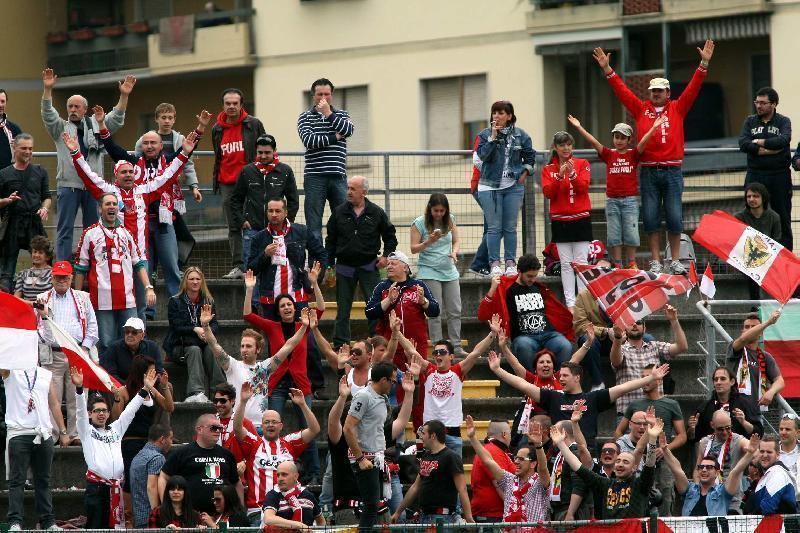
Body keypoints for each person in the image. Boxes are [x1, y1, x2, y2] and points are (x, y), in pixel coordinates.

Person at [593, 41, 715, 274]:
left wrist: (704, 64)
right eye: (653, 90)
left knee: (675, 217)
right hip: (648, 171)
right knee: (650, 218)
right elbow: (622, 91)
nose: (656, 94)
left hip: (672, 171)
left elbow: (694, 87)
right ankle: (657, 260)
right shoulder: (641, 109)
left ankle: (675, 260)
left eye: (660, 90)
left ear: (668, 93)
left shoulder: (678, 107)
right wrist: (608, 70)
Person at [97, 106, 210, 317]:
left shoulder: (170, 163)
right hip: (138, 227)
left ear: (161, 146)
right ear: (141, 146)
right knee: (144, 270)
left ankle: (180, 311)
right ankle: (145, 314)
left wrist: (201, 127)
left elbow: (187, 149)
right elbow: (113, 149)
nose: (149, 146)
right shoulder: (132, 163)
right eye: (146, 143)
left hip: (165, 222)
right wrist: (102, 124)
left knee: (172, 268)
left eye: (153, 143)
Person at [41, 68, 134, 261]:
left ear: (84, 109)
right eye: (70, 107)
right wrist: (47, 90)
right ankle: (63, 267)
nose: (73, 110)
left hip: (93, 187)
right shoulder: (61, 128)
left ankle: (94, 265)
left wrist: (123, 96)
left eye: (77, 107)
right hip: (68, 186)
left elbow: (116, 119)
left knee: (94, 229)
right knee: (64, 229)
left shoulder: (95, 123)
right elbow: (48, 114)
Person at [490, 354, 672, 451]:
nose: (560, 379)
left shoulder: (593, 398)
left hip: (586, 451)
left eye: (565, 376)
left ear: (577, 378)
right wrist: (498, 370)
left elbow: (623, 388)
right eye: (560, 375)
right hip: (559, 452)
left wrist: (650, 378)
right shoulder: (553, 397)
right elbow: (523, 384)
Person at [242, 276, 324, 480]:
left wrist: (313, 283)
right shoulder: (272, 327)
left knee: (308, 428)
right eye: (282, 305)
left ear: (294, 307)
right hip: (276, 384)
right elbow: (247, 314)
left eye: (289, 304)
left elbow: (321, 308)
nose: (287, 307)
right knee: (270, 426)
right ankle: (273, 467)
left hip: (300, 383)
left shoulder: (303, 325)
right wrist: (250, 289)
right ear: (278, 311)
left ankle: (313, 471)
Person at [567, 114, 665, 267]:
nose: (619, 141)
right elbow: (594, 142)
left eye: (622, 138)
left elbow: (644, 142)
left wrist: (654, 128)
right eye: (616, 137)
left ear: (629, 140)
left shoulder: (633, 154)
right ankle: (618, 263)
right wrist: (579, 127)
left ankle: (632, 263)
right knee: (614, 234)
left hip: (630, 201)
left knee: (631, 233)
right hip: (612, 201)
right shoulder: (608, 154)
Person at [400, 315, 501, 455]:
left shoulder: (457, 371)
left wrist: (493, 333)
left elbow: (475, 352)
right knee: (427, 472)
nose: (438, 355)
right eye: (435, 352)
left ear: (451, 357)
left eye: (442, 352)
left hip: (452, 432)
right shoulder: (428, 369)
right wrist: (396, 332)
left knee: (455, 474)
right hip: (428, 433)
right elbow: (411, 351)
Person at [329, 370, 415, 525]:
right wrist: (342, 398)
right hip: (350, 509)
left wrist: (409, 393)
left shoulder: (375, 433)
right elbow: (333, 422)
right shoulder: (341, 437)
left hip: (380, 509)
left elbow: (401, 421)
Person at [70, 366, 150, 528]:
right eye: (97, 410)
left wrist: (145, 389)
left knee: (116, 529)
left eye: (104, 411)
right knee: (96, 528)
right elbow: (80, 413)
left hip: (116, 488)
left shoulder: (116, 429)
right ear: (90, 414)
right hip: (97, 489)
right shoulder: (86, 431)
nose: (101, 414)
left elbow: (130, 411)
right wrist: (79, 389)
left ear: (108, 413)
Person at [73, 192, 154, 352]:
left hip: (127, 299)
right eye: (107, 204)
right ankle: (108, 376)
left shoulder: (127, 234)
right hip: (102, 300)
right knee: (106, 344)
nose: (111, 207)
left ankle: (133, 375)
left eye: (114, 204)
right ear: (99, 209)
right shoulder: (89, 234)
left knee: (134, 341)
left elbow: (138, 264)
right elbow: (81, 268)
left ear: (118, 208)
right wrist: (77, 296)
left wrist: (148, 287)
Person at [234, 375, 320, 525]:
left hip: (287, 508)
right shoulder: (253, 443)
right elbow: (237, 428)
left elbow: (314, 429)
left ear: (281, 426)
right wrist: (242, 402)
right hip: (258, 511)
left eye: (274, 422)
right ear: (261, 426)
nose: (270, 425)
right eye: (266, 422)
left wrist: (302, 405)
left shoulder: (290, 442)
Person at [326, 175, 397, 347]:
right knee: (343, 310)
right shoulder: (339, 212)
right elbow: (330, 240)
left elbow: (390, 237)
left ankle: (376, 340)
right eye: (348, 188)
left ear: (363, 192)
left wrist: (386, 256)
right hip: (344, 267)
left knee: (374, 307)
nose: (348, 192)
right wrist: (329, 265)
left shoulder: (376, 212)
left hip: (369, 266)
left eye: (353, 189)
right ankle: (340, 343)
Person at [35, 260, 98, 444]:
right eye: (58, 277)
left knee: (77, 396)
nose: (61, 280)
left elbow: (93, 327)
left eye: (65, 277)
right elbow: (38, 330)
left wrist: (84, 349)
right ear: (52, 278)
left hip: (77, 352)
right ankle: (54, 434)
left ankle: (76, 434)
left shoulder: (83, 298)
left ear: (71, 278)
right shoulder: (42, 298)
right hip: (52, 353)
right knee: (51, 395)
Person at [2, 364, 69, 531]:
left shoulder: (45, 374)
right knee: (17, 480)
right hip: (19, 433)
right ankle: (15, 521)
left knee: (44, 480)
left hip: (44, 432)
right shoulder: (10, 369)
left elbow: (54, 403)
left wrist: (63, 430)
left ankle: (48, 522)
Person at [477, 253, 574, 369]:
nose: (532, 279)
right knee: (523, 346)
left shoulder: (539, 287)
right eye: (529, 276)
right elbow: (482, 315)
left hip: (548, 334)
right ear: (519, 271)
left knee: (565, 346)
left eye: (535, 276)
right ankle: (532, 384)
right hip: (524, 337)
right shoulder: (507, 289)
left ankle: (557, 382)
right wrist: (493, 288)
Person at [499, 327, 592, 445]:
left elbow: (575, 359)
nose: (545, 365)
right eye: (541, 362)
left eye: (549, 362)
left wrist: (588, 343)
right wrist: (503, 347)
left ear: (554, 366)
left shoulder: (560, 377)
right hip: (533, 424)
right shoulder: (530, 379)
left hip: (556, 423)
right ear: (535, 367)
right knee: (523, 445)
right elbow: (515, 364)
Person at [555, 416, 661, 518]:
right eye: (618, 461)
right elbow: (578, 466)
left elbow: (649, 464)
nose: (620, 464)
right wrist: (560, 443)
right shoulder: (605, 484)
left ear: (634, 467)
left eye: (625, 462)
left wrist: (652, 438)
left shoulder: (640, 484)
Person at [615, 365, 687, 515]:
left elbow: (682, 436)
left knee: (665, 500)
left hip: (662, 460)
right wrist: (628, 452)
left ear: (659, 381)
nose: (645, 380)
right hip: (639, 462)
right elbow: (619, 431)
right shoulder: (634, 405)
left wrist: (665, 448)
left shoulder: (671, 405)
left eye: (649, 376)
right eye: (643, 377)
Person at [474, 100, 535, 276]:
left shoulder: (521, 135)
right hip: (489, 187)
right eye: (494, 113)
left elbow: (530, 157)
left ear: (509, 116)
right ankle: (494, 263)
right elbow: (483, 156)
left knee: (510, 227)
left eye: (501, 113)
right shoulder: (485, 134)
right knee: (494, 228)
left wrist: (525, 173)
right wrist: (493, 137)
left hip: (513, 186)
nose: (497, 116)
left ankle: (510, 263)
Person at [211, 88, 266, 280]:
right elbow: (219, 157)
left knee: (255, 224)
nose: (232, 107)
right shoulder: (217, 128)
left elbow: (265, 150)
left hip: (250, 182)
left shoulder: (254, 124)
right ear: (223, 105)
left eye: (235, 103)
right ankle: (238, 267)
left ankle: (257, 266)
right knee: (234, 226)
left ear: (241, 104)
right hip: (227, 184)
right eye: (228, 103)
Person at [203, 304, 284, 431]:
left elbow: (288, 347)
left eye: (248, 346)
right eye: (242, 346)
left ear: (258, 349)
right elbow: (214, 345)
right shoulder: (232, 365)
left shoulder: (265, 367)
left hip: (260, 427)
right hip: (237, 426)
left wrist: (304, 328)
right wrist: (206, 326)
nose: (244, 349)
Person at [231, 134, 300, 280]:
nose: (263, 156)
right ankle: (253, 303)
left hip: (277, 231)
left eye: (267, 152)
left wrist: (286, 223)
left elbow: (293, 200)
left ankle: (275, 302)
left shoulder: (285, 171)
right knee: (251, 272)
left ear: (274, 151)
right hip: (252, 230)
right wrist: (242, 221)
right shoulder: (247, 171)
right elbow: (235, 199)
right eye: (260, 152)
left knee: (276, 273)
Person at [111, 356, 174, 514]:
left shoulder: (152, 390)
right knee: (131, 483)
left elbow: (169, 407)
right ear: (141, 372)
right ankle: (128, 516)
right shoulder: (125, 390)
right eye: (150, 371)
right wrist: (117, 399)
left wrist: (165, 387)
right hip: (130, 443)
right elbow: (115, 418)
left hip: (148, 444)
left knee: (149, 480)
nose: (154, 373)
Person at [342, 361, 398, 531]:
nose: (394, 385)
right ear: (383, 380)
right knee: (371, 504)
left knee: (374, 504)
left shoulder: (382, 397)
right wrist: (360, 458)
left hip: (376, 457)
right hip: (365, 457)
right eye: (393, 381)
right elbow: (348, 427)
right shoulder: (364, 396)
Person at [246, 198, 327, 313]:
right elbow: (250, 270)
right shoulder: (259, 238)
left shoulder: (301, 231)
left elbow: (321, 254)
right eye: (270, 211)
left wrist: (314, 281)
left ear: (286, 213)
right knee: (274, 331)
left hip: (298, 296)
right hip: (270, 299)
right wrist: (265, 254)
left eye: (278, 211)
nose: (274, 214)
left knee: (304, 330)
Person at [298, 77, 354, 242]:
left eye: (327, 94)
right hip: (314, 176)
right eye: (319, 94)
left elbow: (349, 130)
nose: (323, 98)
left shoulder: (342, 115)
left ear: (332, 95)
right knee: (314, 224)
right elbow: (309, 141)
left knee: (344, 221)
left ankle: (341, 263)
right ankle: (318, 265)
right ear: (313, 96)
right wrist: (336, 136)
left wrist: (328, 113)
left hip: (338, 176)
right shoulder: (305, 117)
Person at [541, 130, 592, 308]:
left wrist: (571, 175)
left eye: (569, 144)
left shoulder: (582, 163)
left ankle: (583, 302)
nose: (566, 148)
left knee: (581, 262)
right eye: (562, 145)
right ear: (555, 148)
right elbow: (548, 193)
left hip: (581, 218)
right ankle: (570, 303)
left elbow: (583, 187)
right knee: (565, 264)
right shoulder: (548, 169)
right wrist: (560, 176)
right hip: (560, 220)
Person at [466, 415, 550, 524]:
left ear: (533, 464)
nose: (516, 462)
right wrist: (473, 438)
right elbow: (488, 461)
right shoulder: (509, 480)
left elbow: (543, 468)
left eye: (521, 459)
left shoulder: (540, 482)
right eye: (516, 458)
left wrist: (538, 445)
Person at [365, 251, 440, 372]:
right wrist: (388, 300)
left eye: (393, 264)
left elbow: (435, 311)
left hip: (415, 345)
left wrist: (423, 301)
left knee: (418, 379)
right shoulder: (381, 287)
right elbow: (369, 312)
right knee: (391, 380)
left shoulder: (418, 285)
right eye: (388, 263)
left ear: (405, 267)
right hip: (390, 346)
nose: (389, 266)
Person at [610, 305, 688, 420]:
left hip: (655, 414)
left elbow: (682, 347)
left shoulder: (655, 346)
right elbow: (615, 361)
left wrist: (674, 320)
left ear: (645, 328)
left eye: (639, 322)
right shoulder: (620, 349)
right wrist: (617, 339)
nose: (635, 324)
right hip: (628, 416)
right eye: (630, 322)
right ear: (625, 328)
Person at [738, 87, 793, 250]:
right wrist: (767, 149)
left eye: (763, 103)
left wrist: (757, 142)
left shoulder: (783, 121)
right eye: (757, 102)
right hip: (755, 174)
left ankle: (785, 257)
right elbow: (743, 143)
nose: (759, 106)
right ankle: (754, 256)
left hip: (779, 175)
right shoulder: (750, 121)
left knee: (782, 216)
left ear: (774, 104)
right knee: (752, 215)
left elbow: (783, 141)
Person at [391, 419, 473, 524]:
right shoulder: (426, 456)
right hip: (423, 516)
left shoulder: (451, 457)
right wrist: (398, 512)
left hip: (442, 519)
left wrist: (468, 517)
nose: (421, 437)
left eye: (424, 434)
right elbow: (415, 487)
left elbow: (462, 489)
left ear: (433, 436)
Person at [410, 193, 463, 354]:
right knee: (435, 310)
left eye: (442, 211)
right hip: (429, 271)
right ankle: (438, 347)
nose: (439, 214)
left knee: (455, 310)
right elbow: (413, 248)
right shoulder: (419, 223)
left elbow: (456, 240)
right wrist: (429, 241)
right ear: (430, 209)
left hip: (449, 271)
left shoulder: (451, 219)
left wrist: (454, 252)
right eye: (436, 210)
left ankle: (456, 346)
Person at [159, 414, 243, 515]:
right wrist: (167, 506)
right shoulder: (182, 453)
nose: (217, 431)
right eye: (213, 428)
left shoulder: (227, 455)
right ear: (199, 430)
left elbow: (237, 483)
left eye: (220, 428)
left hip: (222, 516)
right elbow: (163, 477)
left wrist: (240, 510)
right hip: (190, 515)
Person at [0, 133, 51, 291]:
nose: (28, 152)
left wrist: (45, 208)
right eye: (24, 148)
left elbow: (47, 197)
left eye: (30, 148)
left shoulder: (40, 172)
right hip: (12, 222)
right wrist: (7, 201)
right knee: (7, 270)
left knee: (45, 262)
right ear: (14, 148)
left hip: (33, 221)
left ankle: (44, 298)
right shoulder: (3, 174)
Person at [165, 266, 223, 402]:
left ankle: (220, 390)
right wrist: (195, 329)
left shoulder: (208, 301)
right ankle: (196, 393)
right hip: (180, 345)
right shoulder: (175, 301)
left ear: (202, 281)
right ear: (185, 281)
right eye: (191, 279)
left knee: (211, 349)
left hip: (202, 342)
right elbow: (176, 326)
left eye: (198, 279)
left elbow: (215, 324)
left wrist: (206, 329)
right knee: (195, 350)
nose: (195, 282)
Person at [664, 433, 758, 516]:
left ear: (717, 472)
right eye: (701, 467)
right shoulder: (689, 490)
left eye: (709, 467)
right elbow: (676, 469)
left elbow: (736, 472)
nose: (704, 470)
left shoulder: (723, 492)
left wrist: (750, 454)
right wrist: (665, 449)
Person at [726, 311, 785, 414]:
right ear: (742, 331)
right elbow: (744, 339)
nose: (750, 329)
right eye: (747, 327)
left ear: (761, 332)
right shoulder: (735, 347)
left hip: (755, 412)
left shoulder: (765, 356)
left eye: (754, 327)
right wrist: (768, 322)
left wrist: (770, 392)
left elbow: (780, 381)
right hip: (732, 410)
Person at [688, 366, 762, 444]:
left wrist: (744, 422)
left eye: (723, 379)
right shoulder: (705, 407)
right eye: (716, 379)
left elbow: (758, 433)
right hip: (713, 453)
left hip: (739, 452)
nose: (718, 382)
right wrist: (692, 429)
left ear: (732, 382)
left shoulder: (745, 404)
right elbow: (692, 439)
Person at [734, 182, 783, 300]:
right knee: (753, 266)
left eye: (755, 196)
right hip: (745, 259)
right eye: (749, 196)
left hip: (767, 259)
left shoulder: (774, 217)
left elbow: (776, 242)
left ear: (763, 198)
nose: (751, 199)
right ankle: (755, 306)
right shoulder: (738, 217)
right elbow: (736, 243)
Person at [695, 410, 750, 512]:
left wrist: (751, 450)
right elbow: (697, 469)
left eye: (728, 428)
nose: (725, 432)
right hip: (710, 497)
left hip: (732, 499)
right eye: (720, 429)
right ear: (712, 425)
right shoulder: (705, 442)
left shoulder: (737, 440)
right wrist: (697, 492)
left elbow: (750, 447)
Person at [469, 420, 515, 523]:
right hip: (492, 515)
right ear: (504, 434)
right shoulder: (494, 451)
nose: (511, 437)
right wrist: (515, 508)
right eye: (510, 433)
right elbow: (499, 483)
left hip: (489, 514)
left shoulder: (489, 449)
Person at [130, 423, 174, 529]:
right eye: (171, 438)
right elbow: (152, 487)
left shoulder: (138, 456)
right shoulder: (157, 458)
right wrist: (157, 515)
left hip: (138, 516)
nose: (172, 442)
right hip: (150, 519)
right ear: (163, 439)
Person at [262, 461, 325, 528]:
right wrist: (298, 525)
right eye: (278, 475)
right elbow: (269, 519)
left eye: (284, 474)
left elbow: (321, 521)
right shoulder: (273, 495)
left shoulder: (308, 495)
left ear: (296, 476)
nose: (280, 478)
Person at [101, 317, 164, 382]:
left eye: (134, 332)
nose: (129, 335)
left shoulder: (152, 347)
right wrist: (128, 388)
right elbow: (111, 375)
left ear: (142, 335)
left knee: (167, 385)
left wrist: (146, 387)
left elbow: (159, 371)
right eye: (127, 332)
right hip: (121, 388)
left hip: (147, 386)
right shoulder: (114, 348)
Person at [209, 383, 258, 466]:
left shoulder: (246, 423)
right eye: (216, 401)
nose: (218, 404)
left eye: (222, 401)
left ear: (232, 401)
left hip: (238, 472)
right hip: (213, 471)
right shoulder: (208, 422)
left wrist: (244, 463)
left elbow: (257, 450)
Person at [750, 436, 798, 514]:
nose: (765, 455)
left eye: (769, 452)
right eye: (762, 451)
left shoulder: (777, 472)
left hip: (779, 525)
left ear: (778, 455)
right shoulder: (770, 473)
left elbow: (768, 507)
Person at [14, 236, 53, 305]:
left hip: (47, 311)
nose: (36, 255)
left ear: (47, 256)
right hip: (27, 312)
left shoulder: (53, 273)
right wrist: (33, 304)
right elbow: (16, 298)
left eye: (40, 253)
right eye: (34, 252)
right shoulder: (23, 274)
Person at [778, 414, 800, 500]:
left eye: (787, 429)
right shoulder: (771, 452)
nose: (783, 432)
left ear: (797, 432)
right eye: (781, 429)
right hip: (778, 503)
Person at [0, 89, 22, 169]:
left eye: (3, 101)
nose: (0, 105)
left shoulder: (14, 129)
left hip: (9, 178)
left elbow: (24, 155)